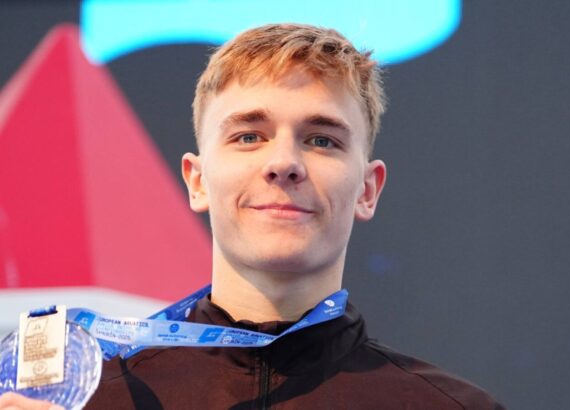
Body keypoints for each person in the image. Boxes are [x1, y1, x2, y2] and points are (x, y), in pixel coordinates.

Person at [0, 23, 504, 409]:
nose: (283, 162)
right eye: (248, 136)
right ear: (197, 180)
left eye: (321, 140)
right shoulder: (89, 403)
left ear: (367, 190)